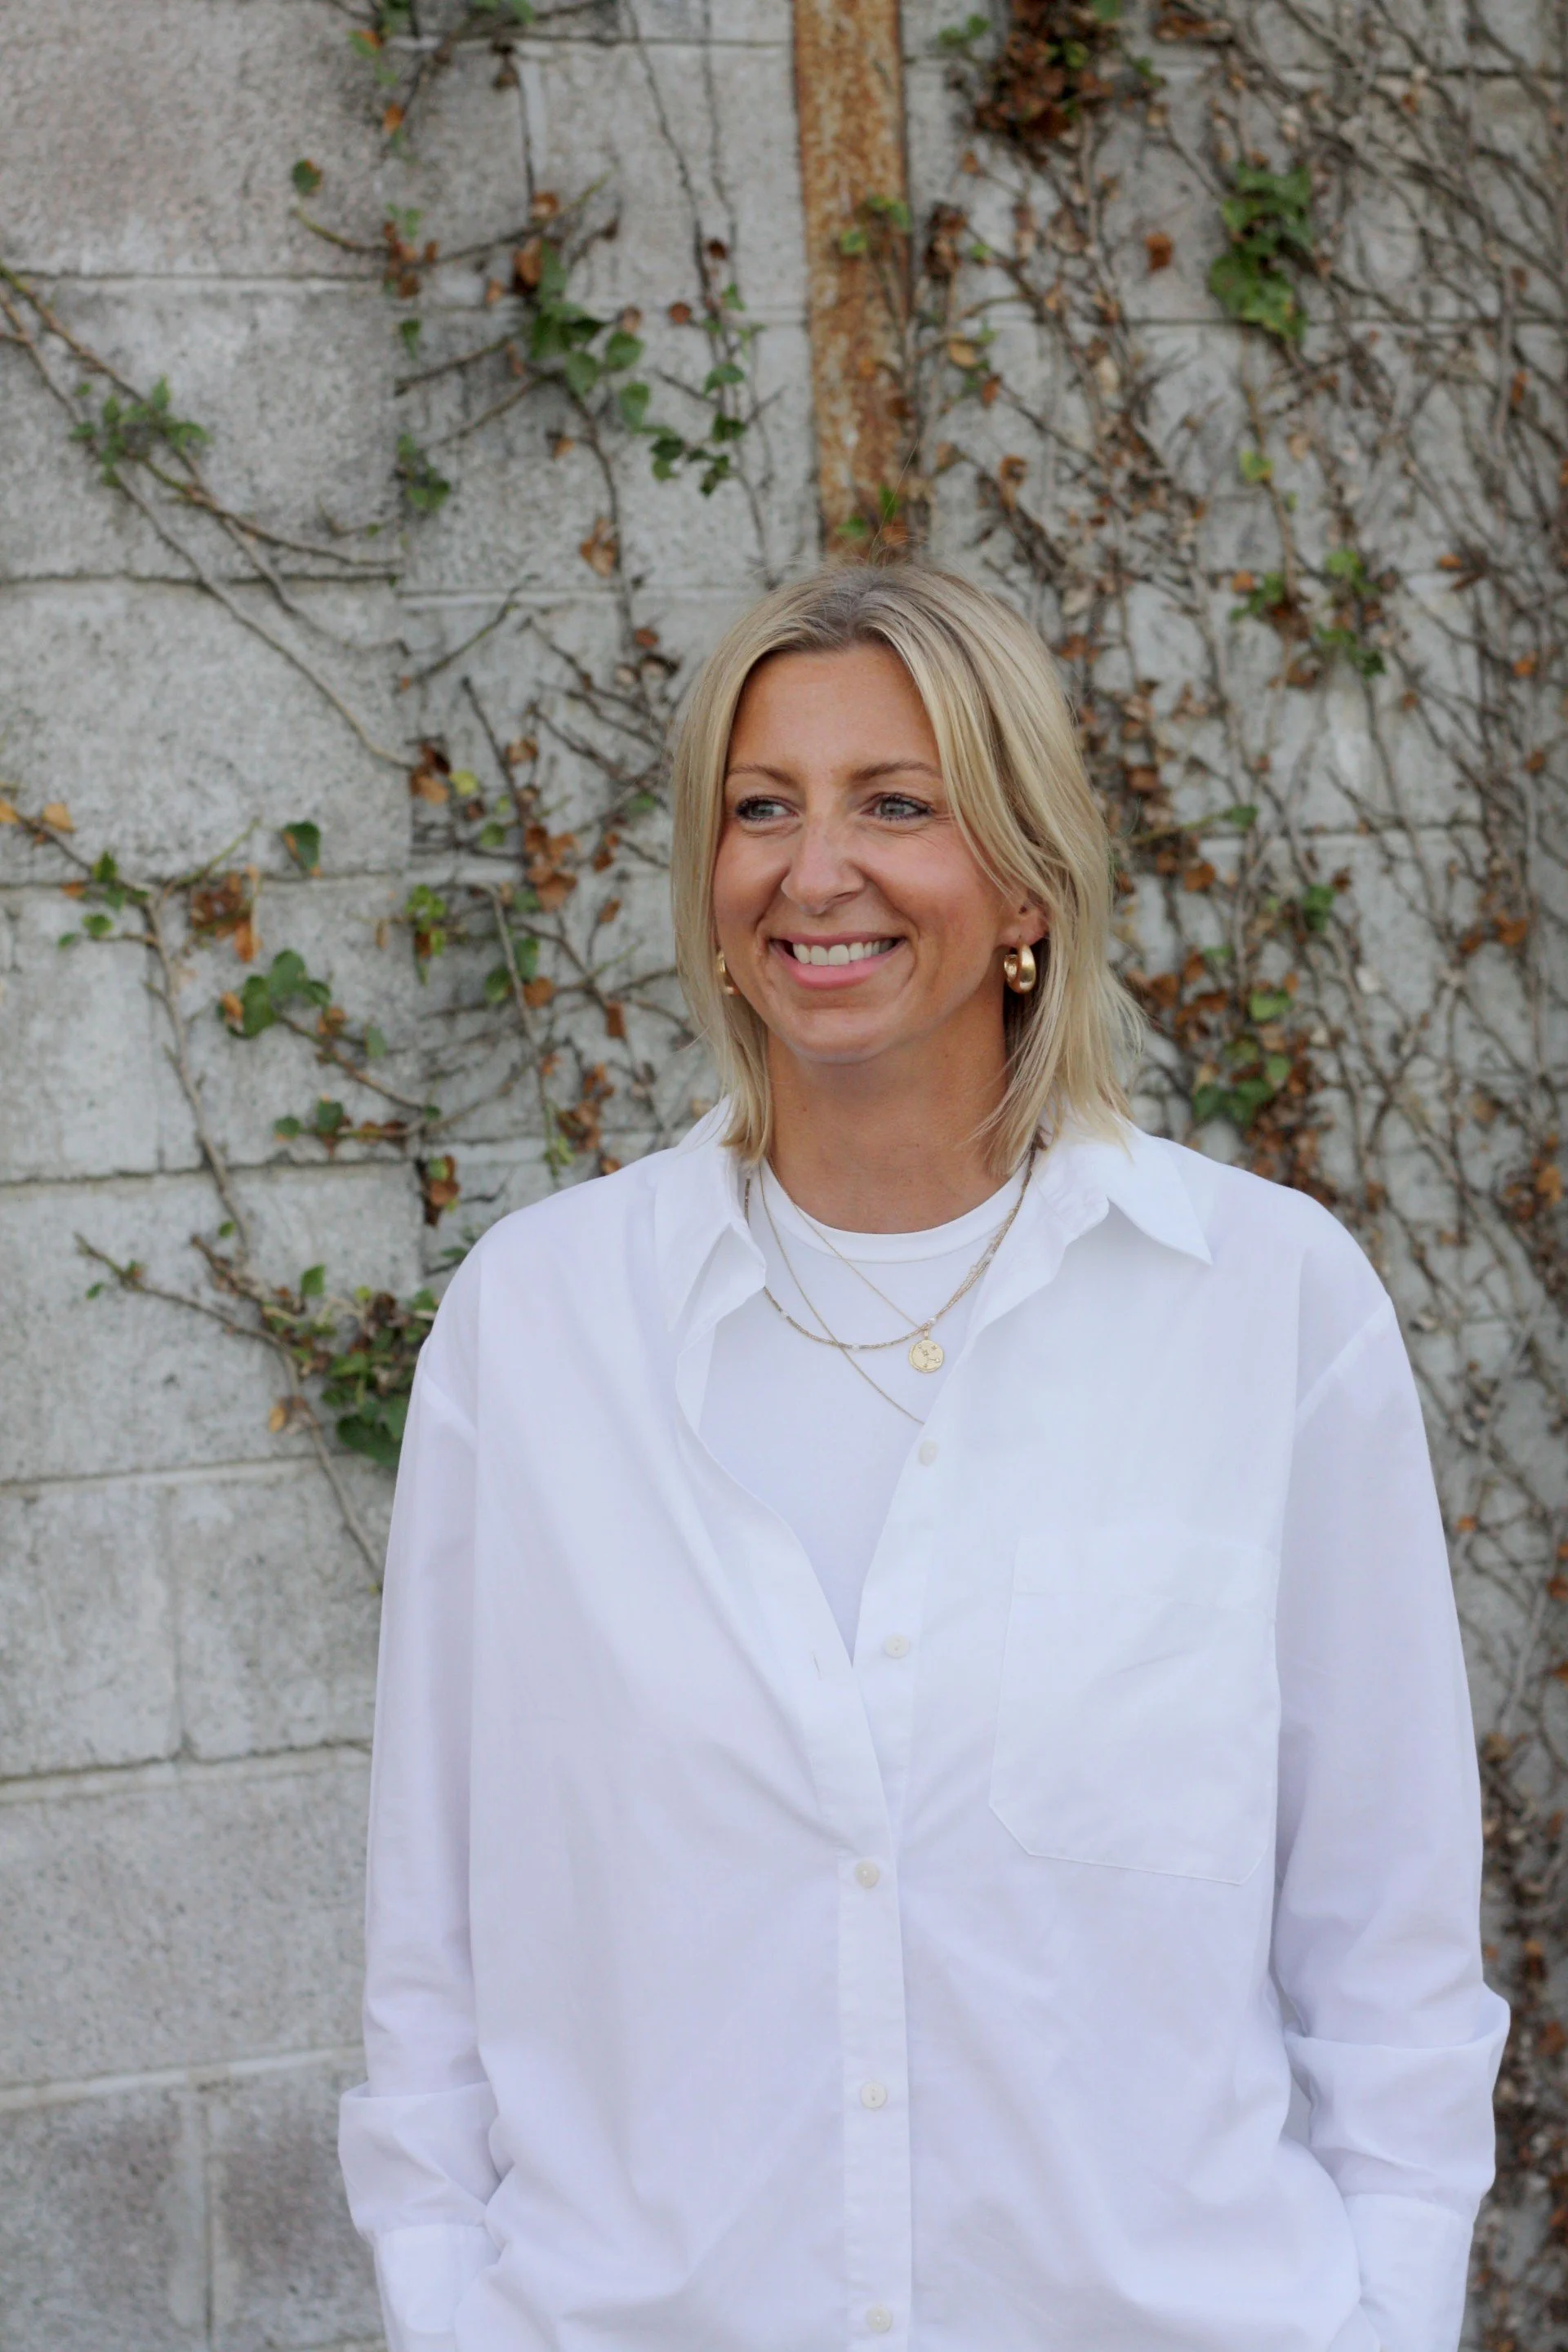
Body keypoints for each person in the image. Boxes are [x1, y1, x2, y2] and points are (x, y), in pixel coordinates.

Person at [339, 562, 1507, 2352]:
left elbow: (1388, 1948)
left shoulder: (1268, 1307)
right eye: (761, 810)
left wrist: (1386, 2312)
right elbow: (435, 1951)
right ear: (713, 894)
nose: (817, 870)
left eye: (898, 803)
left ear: (1027, 877)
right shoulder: (539, 1327)